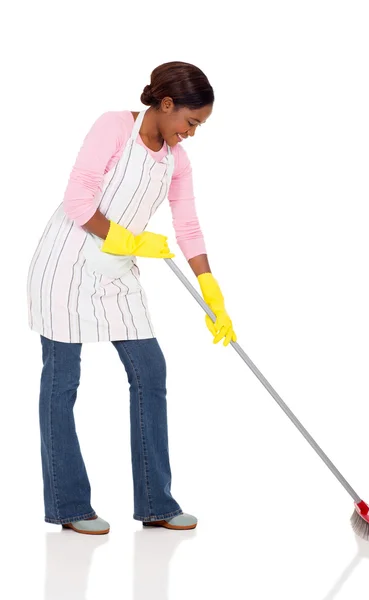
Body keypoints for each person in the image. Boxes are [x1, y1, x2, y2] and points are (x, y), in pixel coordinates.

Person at [26, 61, 236, 535]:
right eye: (190, 122)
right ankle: (70, 506)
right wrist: (132, 240)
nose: (191, 133)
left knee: (150, 371)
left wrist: (211, 289)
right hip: (65, 264)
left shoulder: (177, 162)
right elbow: (78, 200)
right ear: (165, 105)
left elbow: (188, 226)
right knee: (62, 382)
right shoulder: (113, 128)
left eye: (198, 126)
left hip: (117, 275)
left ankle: (156, 502)